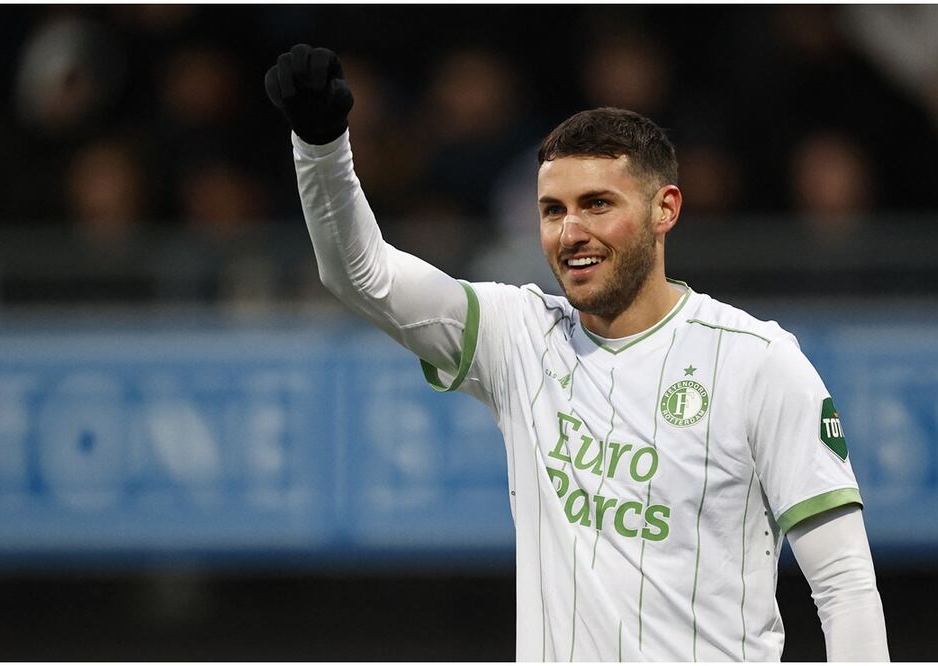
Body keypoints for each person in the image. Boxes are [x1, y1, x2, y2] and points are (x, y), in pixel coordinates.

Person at [265, 44, 889, 662]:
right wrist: (322, 148)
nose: (570, 233)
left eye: (597, 204)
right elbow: (361, 275)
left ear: (664, 209)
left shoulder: (760, 363)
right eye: (552, 210)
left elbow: (844, 586)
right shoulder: (518, 339)